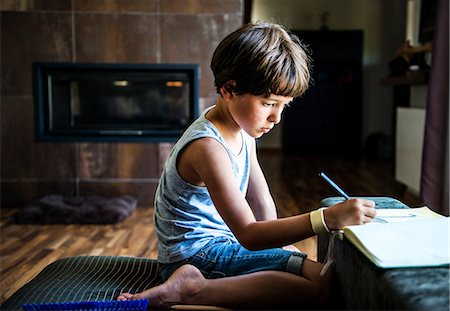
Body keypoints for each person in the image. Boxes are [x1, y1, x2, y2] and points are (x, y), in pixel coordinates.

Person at [117, 21, 376, 309]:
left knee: (300, 263)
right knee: (323, 283)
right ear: (230, 89)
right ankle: (193, 289)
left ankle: (201, 285)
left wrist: (278, 249)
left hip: (222, 248)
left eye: (284, 105)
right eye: (268, 103)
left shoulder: (240, 128)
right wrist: (324, 219)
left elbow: (261, 201)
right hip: (197, 256)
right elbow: (249, 234)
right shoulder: (208, 147)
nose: (276, 118)